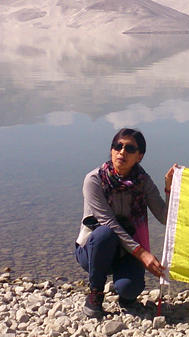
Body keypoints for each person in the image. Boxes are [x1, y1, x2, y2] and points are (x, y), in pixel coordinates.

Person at [75, 128, 177, 318]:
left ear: (139, 156)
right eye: (118, 146)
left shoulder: (143, 182)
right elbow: (109, 223)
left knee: (130, 289)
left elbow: (165, 218)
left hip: (126, 250)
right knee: (105, 233)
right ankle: (95, 292)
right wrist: (143, 254)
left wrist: (169, 188)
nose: (122, 152)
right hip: (94, 249)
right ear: (111, 150)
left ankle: (124, 291)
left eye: (129, 148)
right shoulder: (94, 180)